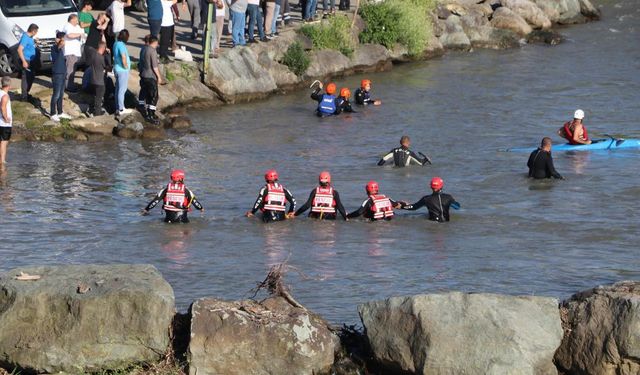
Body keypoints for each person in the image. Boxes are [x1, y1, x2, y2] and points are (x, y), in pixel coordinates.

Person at [139, 36, 163, 124]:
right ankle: (150, 115)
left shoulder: (143, 49)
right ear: (155, 42)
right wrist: (159, 77)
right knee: (154, 96)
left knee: (145, 92)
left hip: (143, 75)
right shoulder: (152, 51)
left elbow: (140, 62)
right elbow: (154, 66)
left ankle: (141, 106)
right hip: (150, 76)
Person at [50, 32, 71, 122]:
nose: (65, 41)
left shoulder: (62, 49)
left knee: (61, 94)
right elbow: (58, 46)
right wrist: (60, 41)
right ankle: (52, 113)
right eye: (64, 39)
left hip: (62, 73)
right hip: (57, 74)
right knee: (56, 94)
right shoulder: (55, 47)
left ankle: (60, 112)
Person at [62, 15, 85, 91]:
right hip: (70, 52)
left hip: (76, 52)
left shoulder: (77, 27)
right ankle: (68, 86)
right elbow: (69, 35)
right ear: (72, 20)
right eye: (76, 20)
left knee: (73, 70)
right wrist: (79, 34)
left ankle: (70, 85)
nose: (77, 21)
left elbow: (83, 34)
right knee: (70, 70)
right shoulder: (67, 26)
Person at [17, 24, 38, 102]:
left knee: (31, 77)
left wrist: (35, 43)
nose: (36, 33)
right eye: (36, 32)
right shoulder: (25, 37)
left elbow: (29, 46)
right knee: (26, 78)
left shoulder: (30, 37)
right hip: (26, 60)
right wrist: (24, 61)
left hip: (31, 60)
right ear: (33, 31)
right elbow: (19, 50)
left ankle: (26, 93)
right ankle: (24, 97)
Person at [113, 29, 132, 117]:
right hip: (122, 70)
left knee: (117, 89)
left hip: (117, 68)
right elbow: (123, 56)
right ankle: (121, 108)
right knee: (122, 89)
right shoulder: (121, 45)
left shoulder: (116, 43)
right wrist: (126, 66)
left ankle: (118, 108)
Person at [87, 42, 108, 117]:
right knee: (99, 98)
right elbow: (107, 67)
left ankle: (92, 110)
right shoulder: (101, 58)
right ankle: (97, 114)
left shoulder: (93, 55)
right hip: (100, 81)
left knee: (95, 96)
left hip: (93, 79)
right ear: (103, 48)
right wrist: (108, 55)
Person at [0, 77, 12, 164]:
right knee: (4, 143)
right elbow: (3, 107)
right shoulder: (5, 95)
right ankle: (2, 161)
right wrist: (6, 118)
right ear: (9, 85)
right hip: (4, 124)